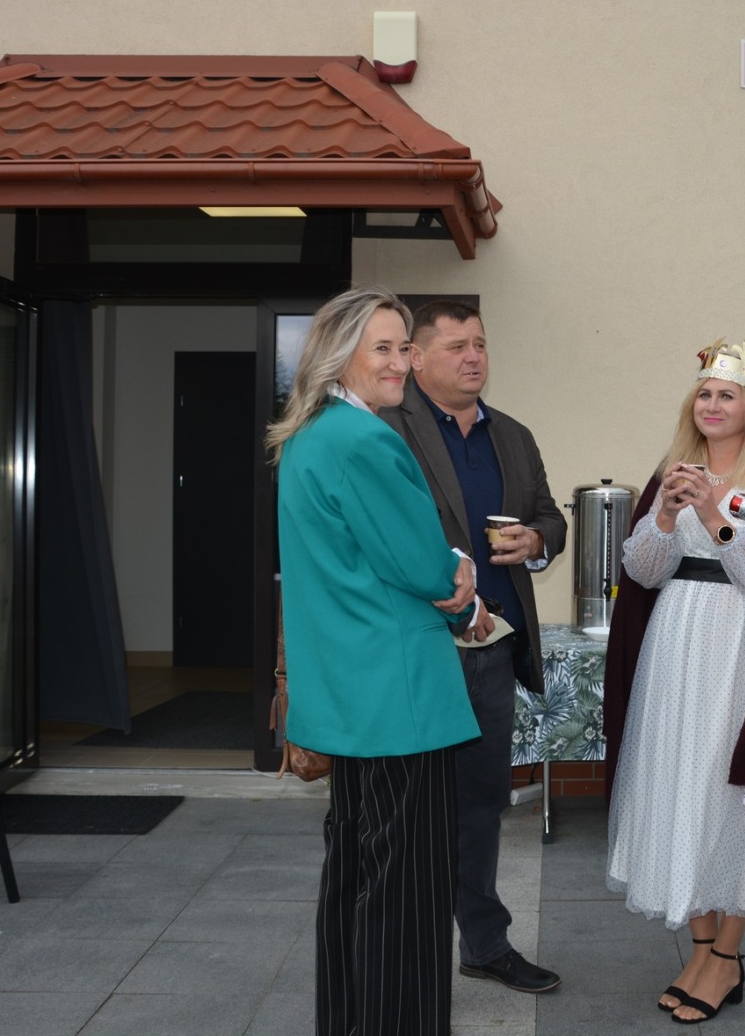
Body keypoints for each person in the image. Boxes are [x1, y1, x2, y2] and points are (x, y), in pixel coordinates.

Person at [269, 285, 479, 1036]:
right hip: (399, 699)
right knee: (406, 896)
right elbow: (421, 565)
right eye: (382, 348)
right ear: (339, 356)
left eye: (403, 347)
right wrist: (461, 573)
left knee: (356, 880)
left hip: (352, 696)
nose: (399, 363)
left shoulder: (311, 435)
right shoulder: (363, 439)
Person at [602, 340, 745, 1026]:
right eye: (704, 393)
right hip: (674, 642)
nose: (712, 405)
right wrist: (666, 515)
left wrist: (717, 517)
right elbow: (642, 571)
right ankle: (699, 949)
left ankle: (727, 956)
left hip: (739, 646)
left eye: (727, 394)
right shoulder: (673, 470)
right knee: (675, 784)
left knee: (727, 795)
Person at [380, 298, 567, 995]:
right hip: (415, 651)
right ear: (416, 357)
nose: (473, 357)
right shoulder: (384, 429)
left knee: (482, 806)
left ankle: (484, 946)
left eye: (480, 344)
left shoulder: (511, 435)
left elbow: (549, 516)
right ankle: (402, 952)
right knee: (405, 809)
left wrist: (537, 540)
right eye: (456, 345)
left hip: (490, 651)